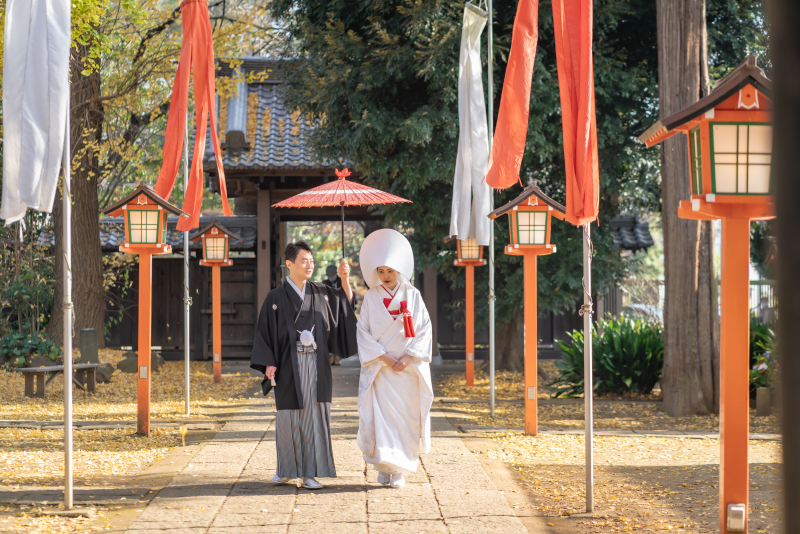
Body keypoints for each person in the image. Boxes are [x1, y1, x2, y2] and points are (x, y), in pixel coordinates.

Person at [250, 241, 358, 490]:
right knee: (287, 417)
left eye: (311, 261)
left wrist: (344, 279)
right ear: (289, 264)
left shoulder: (320, 292)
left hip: (316, 363)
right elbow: (264, 332)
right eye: (304, 261)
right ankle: (286, 470)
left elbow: (345, 305)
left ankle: (310, 473)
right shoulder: (275, 297)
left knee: (314, 417)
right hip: (288, 363)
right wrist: (268, 362)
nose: (309, 265)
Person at [355, 229, 433, 489]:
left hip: (406, 370)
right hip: (382, 369)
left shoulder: (413, 296)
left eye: (390, 271)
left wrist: (409, 357)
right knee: (381, 419)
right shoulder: (371, 297)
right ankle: (383, 465)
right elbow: (363, 332)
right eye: (381, 271)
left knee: (404, 419)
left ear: (399, 270)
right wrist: (384, 357)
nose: (386, 276)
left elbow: (424, 329)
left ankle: (399, 469)